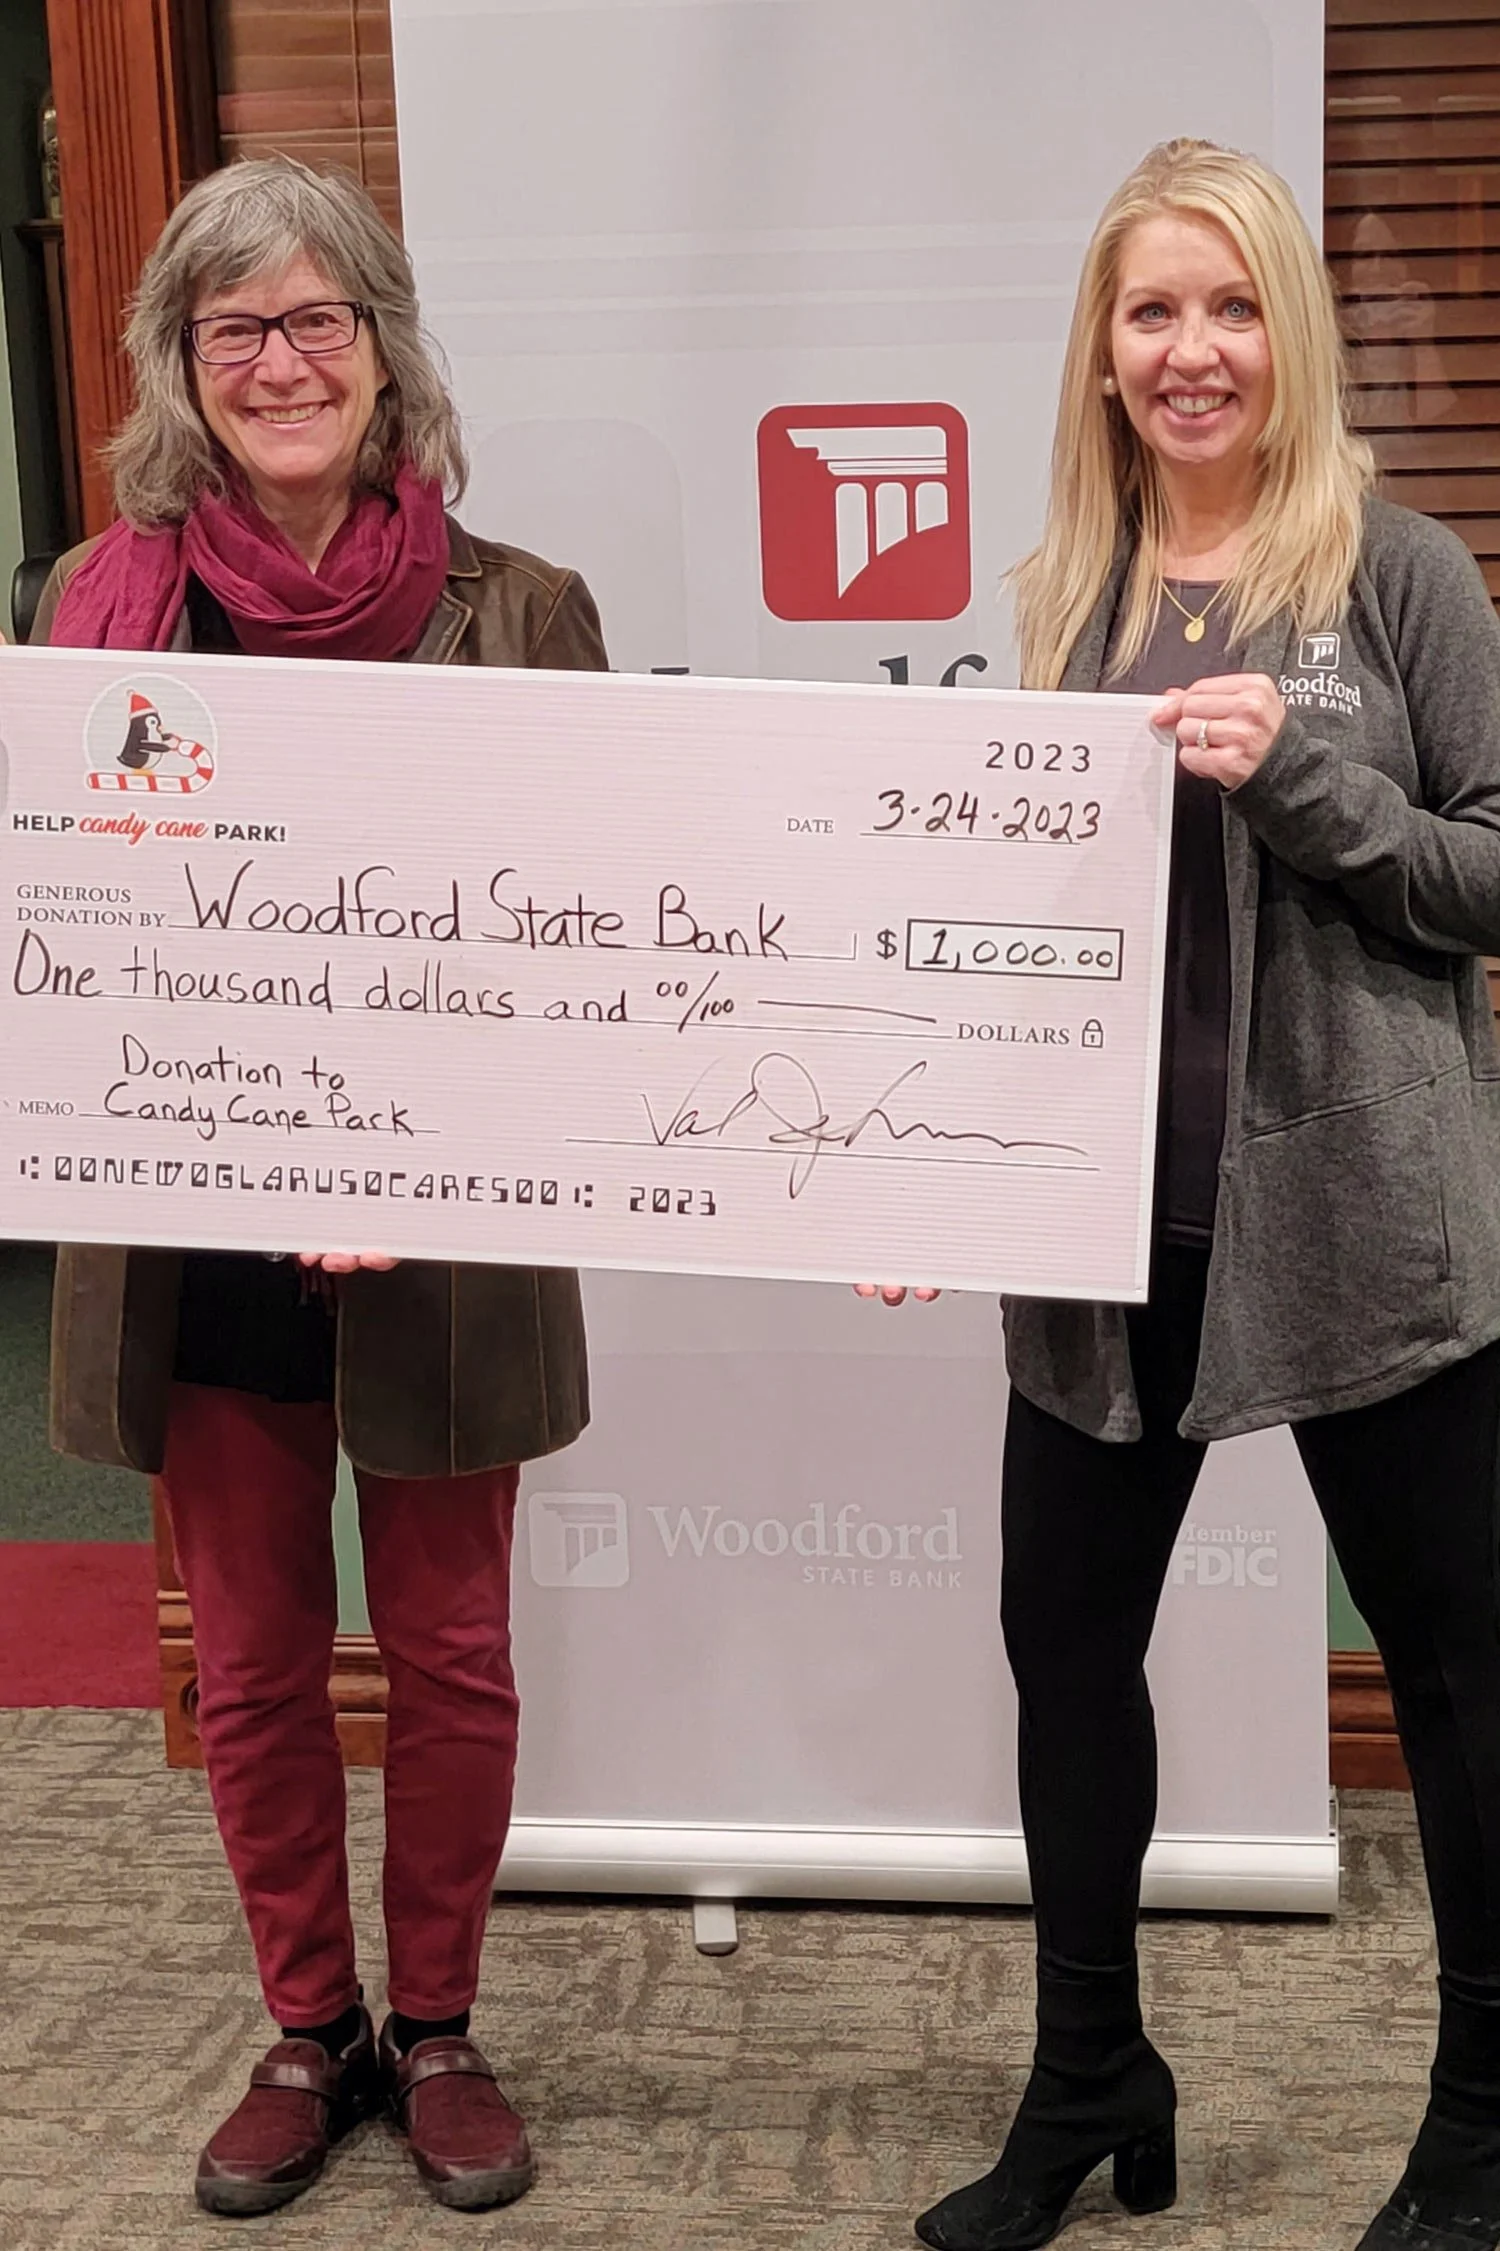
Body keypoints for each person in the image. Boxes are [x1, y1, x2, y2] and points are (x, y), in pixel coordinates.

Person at [862, 138, 1500, 2251]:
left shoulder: (1397, 573)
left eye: (1231, 306)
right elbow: (1017, 930)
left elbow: (1490, 868)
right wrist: (921, 1161)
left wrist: (1304, 782)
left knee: (1457, 1677)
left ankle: (1488, 2123)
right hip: (1100, 1226)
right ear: (1103, 349)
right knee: (1064, 1650)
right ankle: (1088, 2080)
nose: (1192, 349)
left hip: (1367, 1221)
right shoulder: (1067, 593)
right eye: (1153, 311)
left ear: (1288, 332)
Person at [32, 155, 607, 2218]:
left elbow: (580, 940)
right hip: (195, 1227)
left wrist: (410, 1146)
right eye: (234, 329)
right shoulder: (87, 610)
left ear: (383, 347)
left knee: (450, 1654)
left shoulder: (523, 611)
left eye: (316, 320)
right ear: (180, 363)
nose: (279, 364)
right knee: (258, 1661)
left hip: (445, 1233)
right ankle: (311, 2026)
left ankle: (437, 2026)